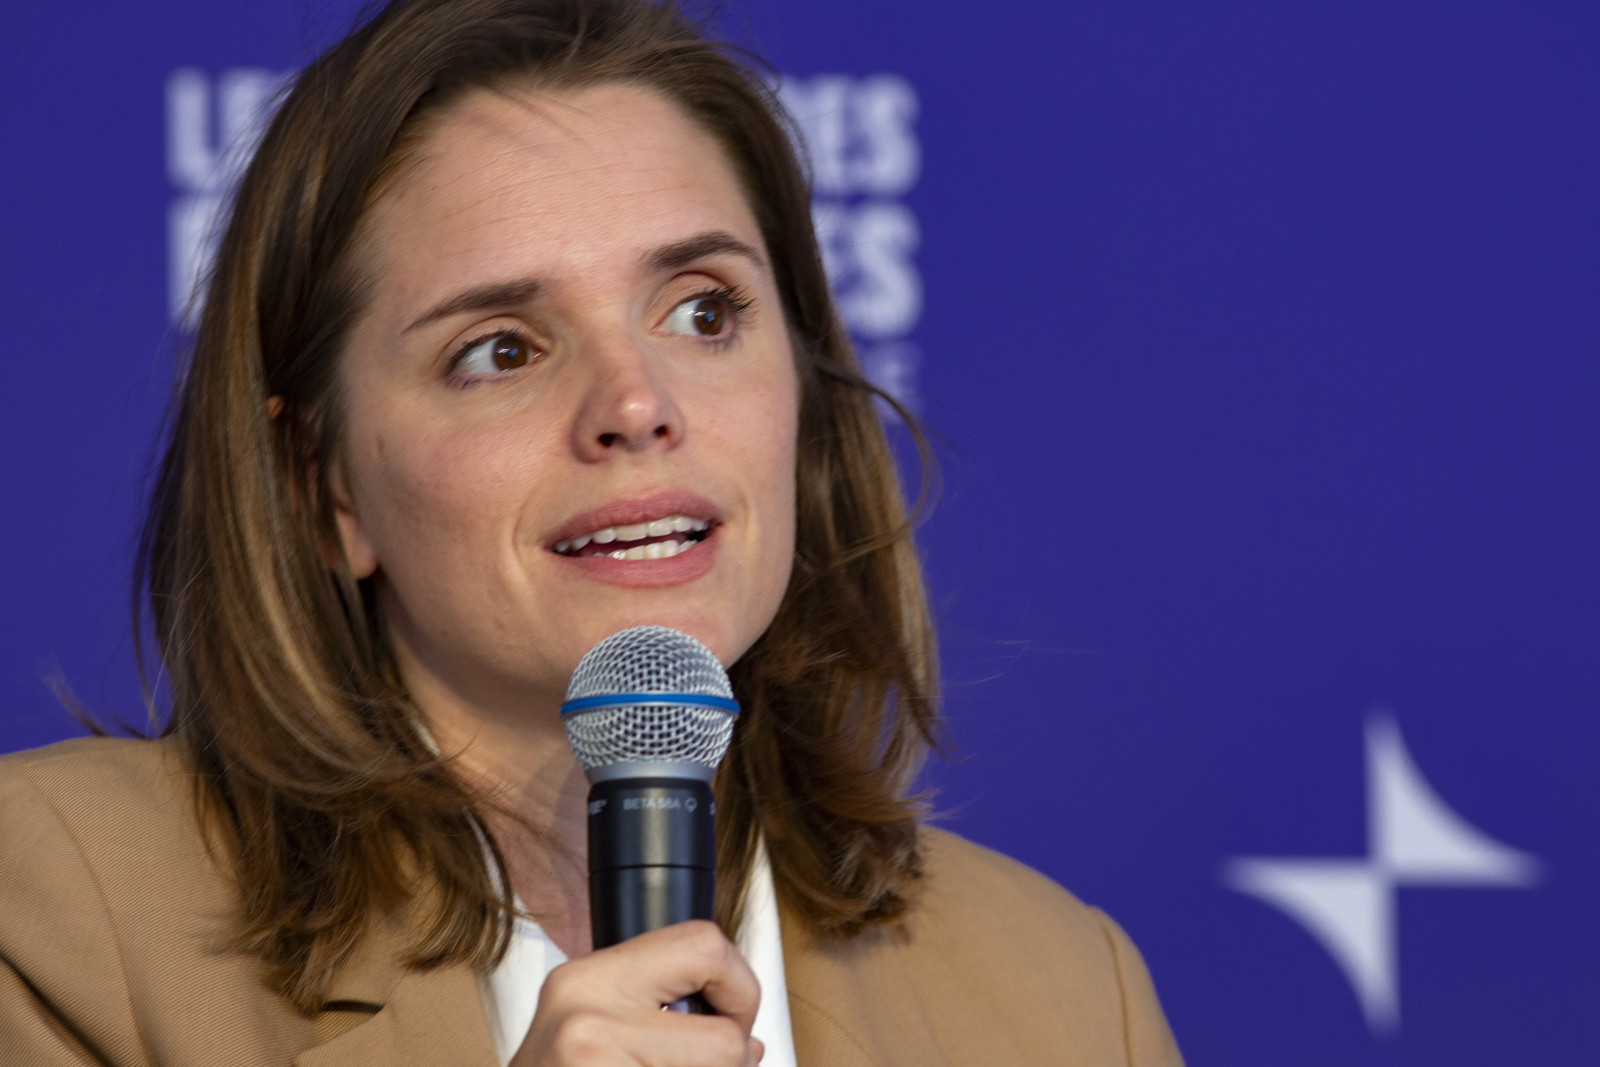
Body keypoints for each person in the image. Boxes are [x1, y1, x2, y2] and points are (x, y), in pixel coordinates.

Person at [0, 1, 1184, 1063]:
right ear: (324, 486)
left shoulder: (1065, 993)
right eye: (501, 349)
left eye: (702, 312)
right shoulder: (53, 912)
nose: (635, 402)